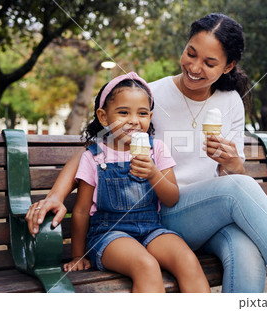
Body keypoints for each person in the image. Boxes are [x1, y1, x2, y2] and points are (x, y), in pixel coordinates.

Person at [26, 13, 267, 293]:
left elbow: (228, 179)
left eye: (209, 63)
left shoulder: (231, 101)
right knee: (241, 187)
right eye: (191, 53)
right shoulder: (150, 97)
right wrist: (56, 194)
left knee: (247, 252)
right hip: (160, 212)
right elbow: (95, 151)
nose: (195, 68)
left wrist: (234, 163)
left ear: (228, 66)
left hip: (209, 216)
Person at [61, 72, 210, 293]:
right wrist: (77, 255)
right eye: (123, 112)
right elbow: (81, 211)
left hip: (151, 229)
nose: (133, 120)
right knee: (146, 265)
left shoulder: (156, 149)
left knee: (187, 259)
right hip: (108, 235)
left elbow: (171, 198)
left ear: (150, 116)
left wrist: (153, 174)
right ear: (103, 117)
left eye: (142, 113)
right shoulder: (94, 156)